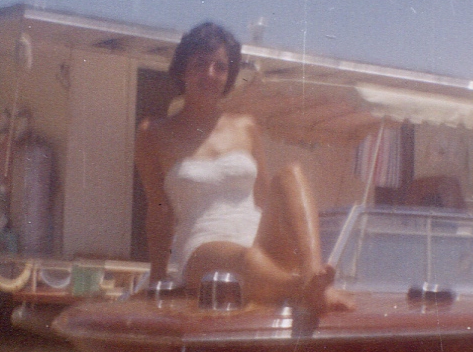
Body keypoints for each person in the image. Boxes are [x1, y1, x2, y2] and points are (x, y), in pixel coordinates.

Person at [135, 21, 354, 314]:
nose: (210, 74)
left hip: (258, 240)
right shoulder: (154, 132)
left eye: (220, 67)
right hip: (204, 247)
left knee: (292, 173)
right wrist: (159, 277)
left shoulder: (245, 126)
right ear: (184, 69)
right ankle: (306, 289)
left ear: (229, 76)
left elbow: (265, 198)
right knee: (246, 260)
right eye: (200, 64)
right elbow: (159, 211)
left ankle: (313, 273)